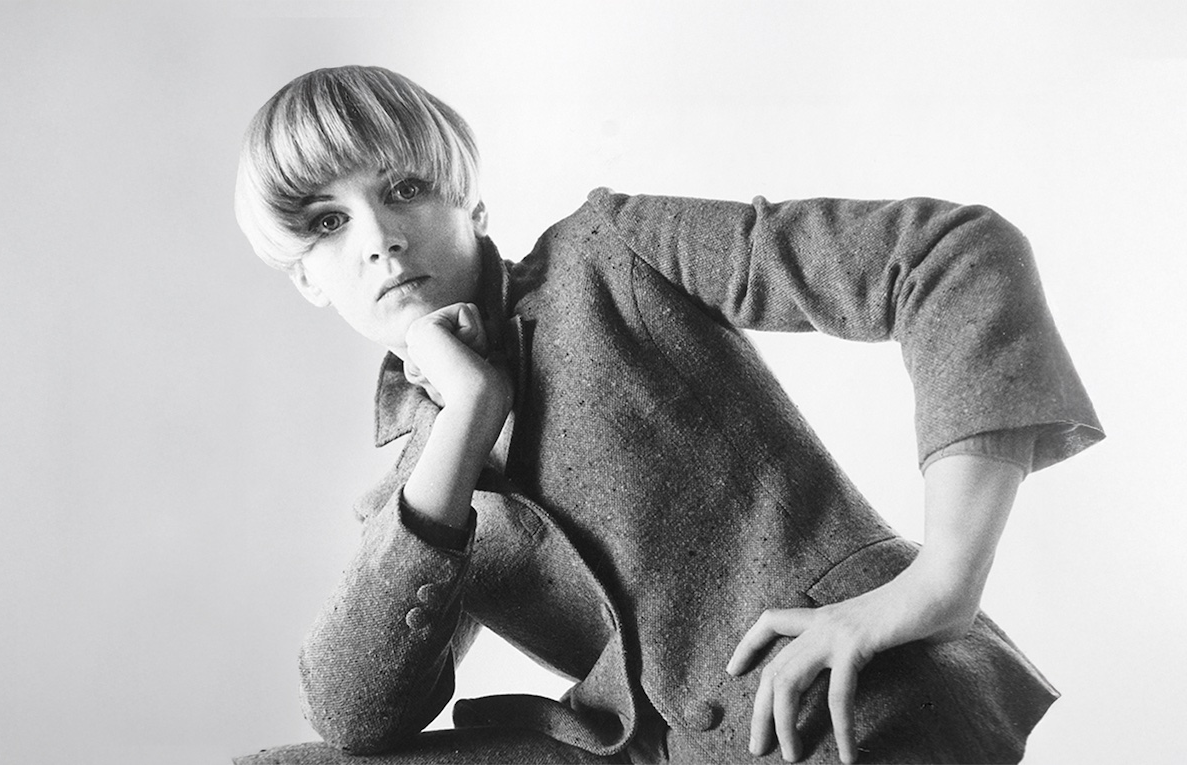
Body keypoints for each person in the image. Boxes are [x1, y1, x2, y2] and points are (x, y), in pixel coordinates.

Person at [231, 65, 1103, 765]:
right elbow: (355, 717)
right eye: (328, 221)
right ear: (305, 277)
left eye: (406, 187)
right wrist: (468, 413)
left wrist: (941, 582)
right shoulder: (416, 492)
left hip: (850, 705)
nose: (378, 237)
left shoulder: (610, 255)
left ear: (473, 205)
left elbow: (952, 257)